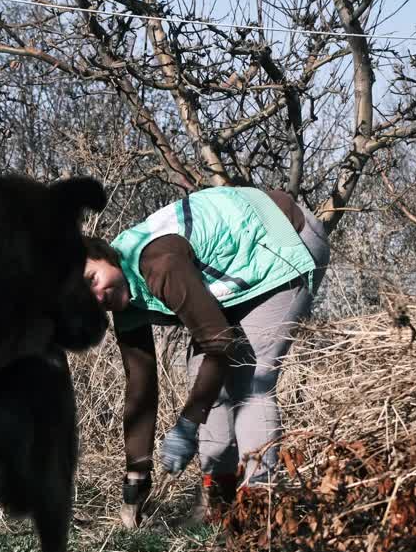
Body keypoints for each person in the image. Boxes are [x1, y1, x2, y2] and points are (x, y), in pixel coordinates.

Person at [83, 185, 330, 528]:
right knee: (203, 374)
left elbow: (220, 344)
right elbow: (140, 385)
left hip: (282, 240)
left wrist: (186, 425)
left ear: (105, 255)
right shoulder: (123, 296)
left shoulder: (159, 264)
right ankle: (219, 505)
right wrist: (136, 474)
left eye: (91, 279)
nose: (94, 298)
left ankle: (260, 511)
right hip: (235, 270)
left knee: (249, 379)